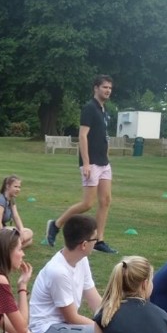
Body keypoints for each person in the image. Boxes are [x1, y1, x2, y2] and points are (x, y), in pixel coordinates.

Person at [46, 75, 117, 254]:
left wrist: (107, 157)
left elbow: (102, 136)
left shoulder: (103, 110)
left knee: (106, 201)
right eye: (104, 87)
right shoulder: (89, 108)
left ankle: (99, 240)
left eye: (110, 88)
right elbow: (83, 136)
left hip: (103, 162)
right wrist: (86, 163)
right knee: (87, 203)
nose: (108, 90)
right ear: (96, 88)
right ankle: (56, 224)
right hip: (91, 162)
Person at [29, 215, 102, 333]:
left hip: (65, 325)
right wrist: (104, 329)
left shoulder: (81, 259)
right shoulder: (58, 271)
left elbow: (92, 295)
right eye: (95, 239)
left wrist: (110, 320)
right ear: (84, 245)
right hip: (46, 330)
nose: (96, 243)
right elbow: (72, 318)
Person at [0, 175, 33, 249]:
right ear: (7, 186)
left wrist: (21, 230)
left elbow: (16, 216)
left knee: (29, 239)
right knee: (29, 233)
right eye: (15, 187)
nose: (18, 189)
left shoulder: (11, 199)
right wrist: (3, 238)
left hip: (3, 228)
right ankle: (9, 248)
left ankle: (11, 248)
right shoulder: (1, 201)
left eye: (19, 187)